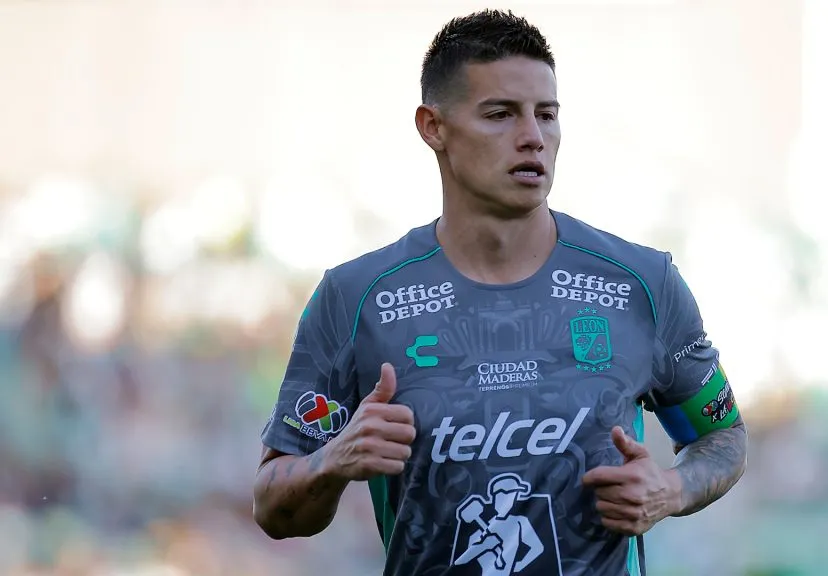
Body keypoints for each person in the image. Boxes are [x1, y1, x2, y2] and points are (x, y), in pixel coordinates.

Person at [253, 9, 747, 576]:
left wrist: (671, 490)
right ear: (433, 127)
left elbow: (723, 436)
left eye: (547, 115)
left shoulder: (642, 283)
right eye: (500, 115)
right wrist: (331, 461)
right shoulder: (356, 297)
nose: (533, 137)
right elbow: (272, 507)